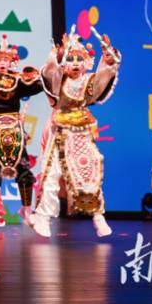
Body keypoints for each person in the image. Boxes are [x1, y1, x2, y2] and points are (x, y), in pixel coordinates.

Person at [30, 33, 120, 237]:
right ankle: (43, 216)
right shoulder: (59, 80)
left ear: (86, 63)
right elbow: (50, 71)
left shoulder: (88, 81)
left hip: (81, 132)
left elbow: (104, 76)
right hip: (60, 131)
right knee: (52, 173)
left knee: (90, 169)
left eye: (80, 59)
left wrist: (108, 56)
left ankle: (98, 216)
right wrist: (57, 55)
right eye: (71, 59)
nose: (76, 63)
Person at [0, 35, 43, 227]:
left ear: (11, 62)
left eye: (6, 59)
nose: (3, 63)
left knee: (23, 168)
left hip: (15, 128)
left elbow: (38, 86)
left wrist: (49, 70)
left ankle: (27, 210)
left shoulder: (17, 81)